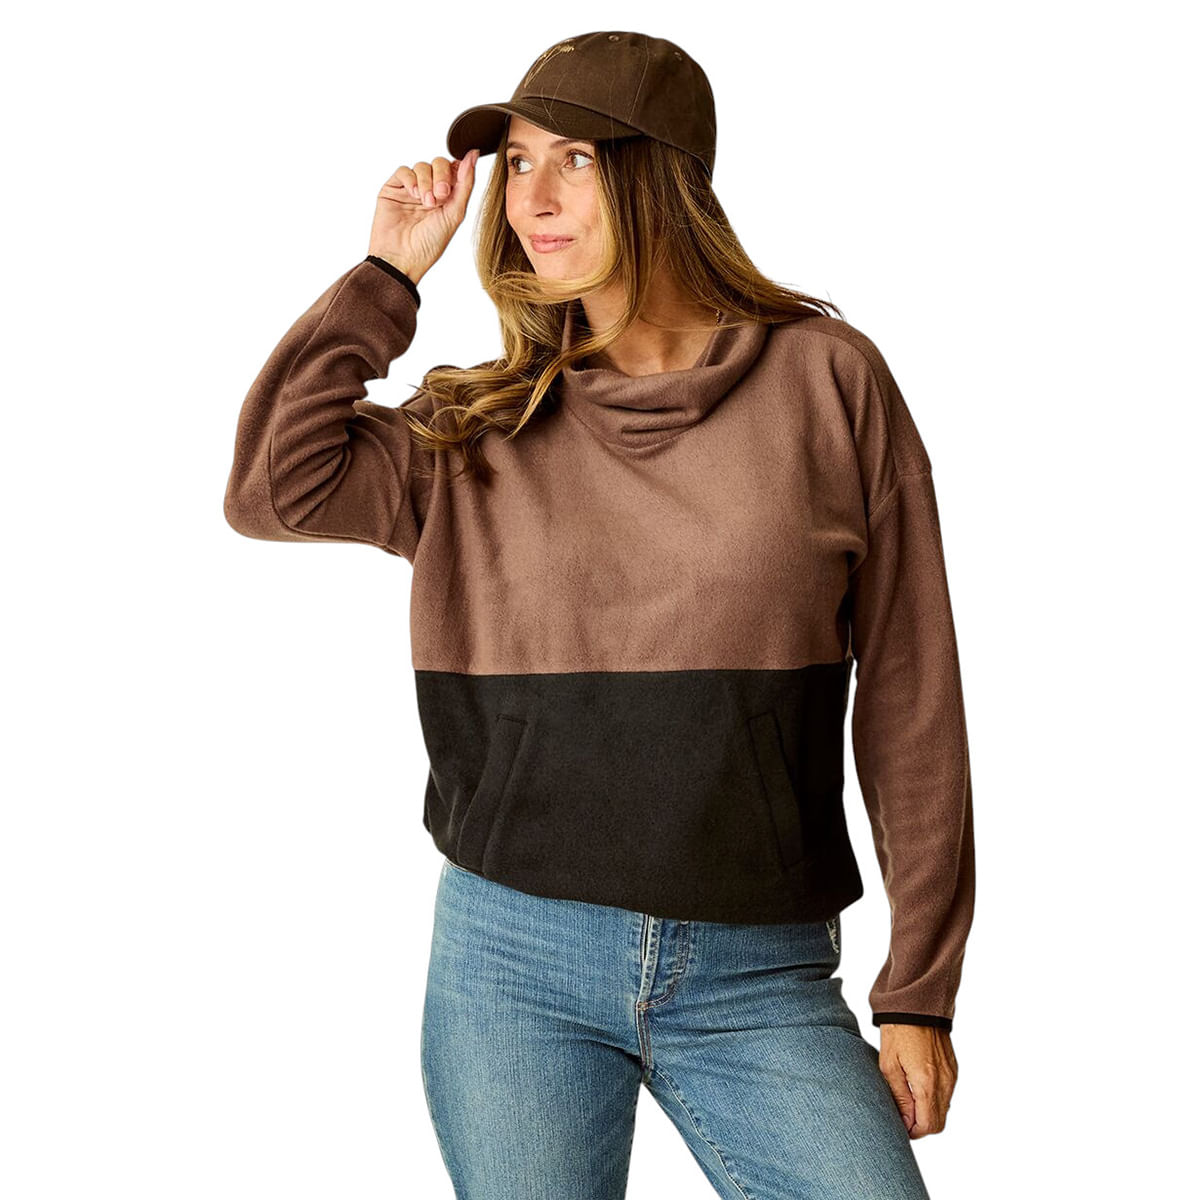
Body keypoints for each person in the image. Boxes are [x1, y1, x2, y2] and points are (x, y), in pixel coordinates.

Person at [224, 29, 974, 1200]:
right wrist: (385, 278)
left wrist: (917, 991)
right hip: (513, 962)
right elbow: (274, 489)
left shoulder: (829, 381)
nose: (531, 199)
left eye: (573, 159)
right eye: (519, 163)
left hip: (758, 974)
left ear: (663, 178)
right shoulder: (477, 426)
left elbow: (913, 693)